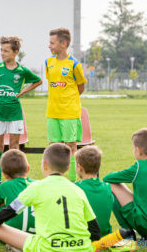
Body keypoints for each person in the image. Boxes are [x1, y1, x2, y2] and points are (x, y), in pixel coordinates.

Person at [0, 143, 100, 252]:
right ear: (68, 168)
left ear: (44, 164)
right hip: (83, 248)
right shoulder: (78, 190)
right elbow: (95, 232)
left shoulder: (36, 187)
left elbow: (9, 211)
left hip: (46, 248)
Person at [0, 36, 42, 191]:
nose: (2, 53)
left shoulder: (21, 71)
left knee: (14, 147)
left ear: (15, 52)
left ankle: (16, 179)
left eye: (6, 51)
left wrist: (22, 92)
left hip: (14, 113)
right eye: (1, 50)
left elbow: (38, 81)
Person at [103, 128, 147, 239]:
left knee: (110, 184)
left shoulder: (138, 167)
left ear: (138, 150)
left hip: (146, 226)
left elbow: (107, 178)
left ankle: (128, 232)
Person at [45, 27, 87, 182]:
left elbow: (80, 87)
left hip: (69, 112)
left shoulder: (74, 64)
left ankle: (73, 181)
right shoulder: (48, 62)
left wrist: (69, 100)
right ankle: (55, 180)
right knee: (54, 147)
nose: (49, 46)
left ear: (63, 43)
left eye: (52, 43)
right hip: (52, 112)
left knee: (70, 147)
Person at [0, 149, 35, 240]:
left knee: (0, 203)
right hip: (35, 233)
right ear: (28, 169)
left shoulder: (4, 186)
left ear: (4, 174)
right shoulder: (37, 184)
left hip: (11, 235)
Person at [75, 146, 113, 237]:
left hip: (85, 238)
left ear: (79, 167)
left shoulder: (75, 188)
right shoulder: (108, 187)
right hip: (105, 236)